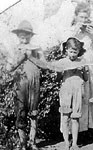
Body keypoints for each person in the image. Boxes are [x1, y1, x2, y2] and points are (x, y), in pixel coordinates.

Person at [7, 20, 44, 150]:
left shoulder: (37, 48)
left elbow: (44, 64)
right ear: (18, 35)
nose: (24, 36)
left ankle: (32, 142)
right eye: (21, 34)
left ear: (31, 35)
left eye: (27, 34)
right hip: (20, 84)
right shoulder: (14, 49)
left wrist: (31, 56)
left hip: (34, 83)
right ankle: (23, 143)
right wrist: (19, 58)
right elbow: (9, 67)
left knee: (34, 113)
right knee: (20, 113)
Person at [67, 2, 93, 132]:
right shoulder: (71, 31)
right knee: (78, 96)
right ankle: (75, 131)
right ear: (75, 17)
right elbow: (65, 47)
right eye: (81, 17)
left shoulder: (91, 31)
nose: (84, 20)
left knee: (91, 95)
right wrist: (75, 31)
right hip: (77, 65)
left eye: (86, 18)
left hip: (90, 64)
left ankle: (90, 128)